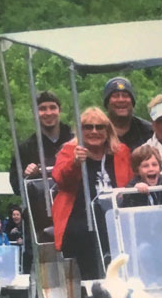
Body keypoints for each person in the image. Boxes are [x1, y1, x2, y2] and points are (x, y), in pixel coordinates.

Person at [52, 107, 133, 279]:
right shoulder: (69, 150)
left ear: (107, 130)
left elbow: (130, 182)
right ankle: (91, 287)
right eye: (88, 127)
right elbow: (61, 180)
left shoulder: (121, 151)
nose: (94, 131)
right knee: (84, 234)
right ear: (80, 131)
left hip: (115, 216)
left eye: (99, 127)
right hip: (80, 217)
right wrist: (74, 163)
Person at [8, 90, 72, 196]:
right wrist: (27, 175)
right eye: (42, 109)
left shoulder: (74, 141)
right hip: (42, 208)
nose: (48, 113)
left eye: (52, 107)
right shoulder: (25, 149)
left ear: (59, 110)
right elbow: (17, 188)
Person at [103, 77, 153, 151]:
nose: (121, 100)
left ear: (132, 102)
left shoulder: (148, 131)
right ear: (107, 103)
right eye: (116, 96)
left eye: (125, 96)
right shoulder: (97, 129)